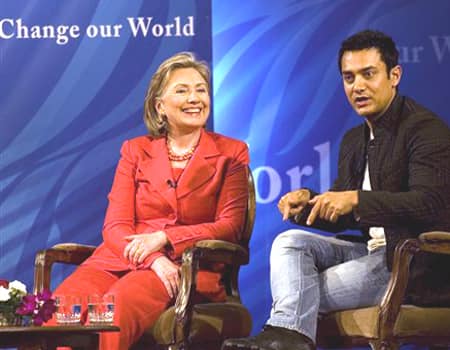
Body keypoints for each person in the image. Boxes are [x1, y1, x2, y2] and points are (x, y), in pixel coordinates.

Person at [222, 29, 450, 350]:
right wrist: (310, 204)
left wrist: (356, 200)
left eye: (368, 74)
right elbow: (343, 215)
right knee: (290, 242)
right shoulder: (354, 140)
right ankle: (292, 338)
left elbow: (431, 204)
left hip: (410, 261)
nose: (357, 86)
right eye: (348, 77)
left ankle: (287, 335)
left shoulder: (425, 130)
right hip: (370, 254)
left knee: (300, 294)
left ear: (394, 75)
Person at [49, 52, 250, 350]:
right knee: (58, 310)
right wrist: (152, 258)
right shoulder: (135, 151)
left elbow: (229, 227)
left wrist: (165, 239)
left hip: (186, 267)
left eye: (201, 89)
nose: (195, 98)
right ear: (160, 106)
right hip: (121, 260)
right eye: (182, 90)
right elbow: (115, 226)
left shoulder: (231, 152)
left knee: (115, 310)